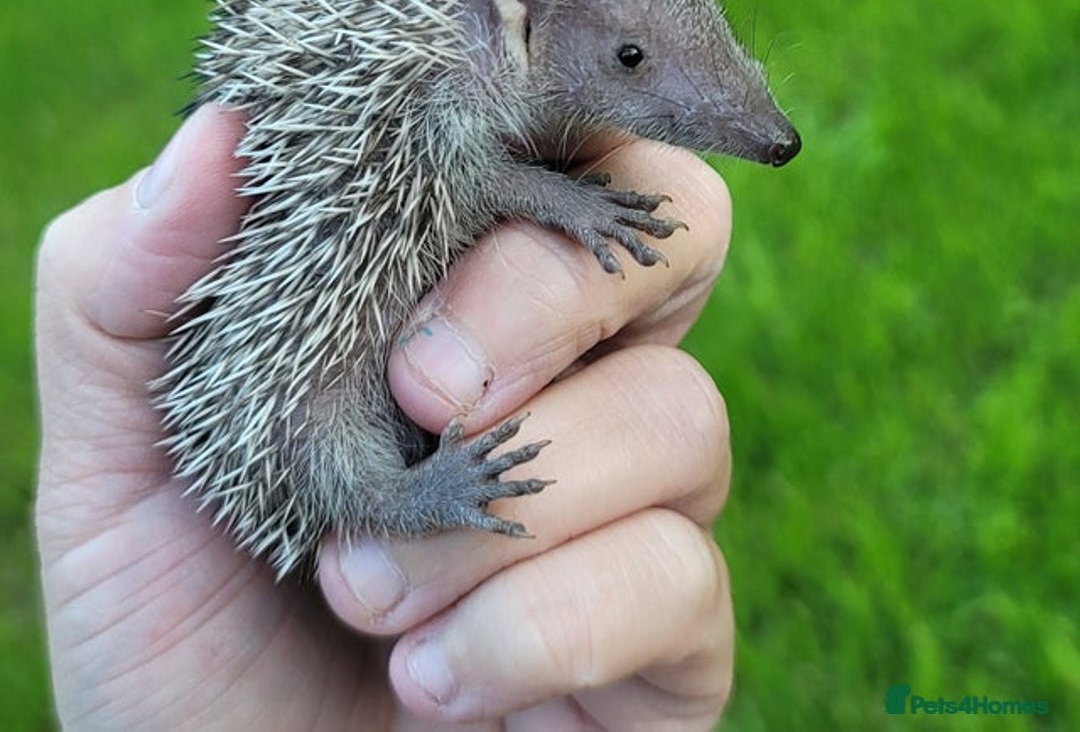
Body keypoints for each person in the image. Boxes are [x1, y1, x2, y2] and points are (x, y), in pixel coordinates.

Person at [34, 103, 735, 729]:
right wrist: (574, 204)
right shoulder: (430, 95)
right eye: (633, 58)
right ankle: (405, 496)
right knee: (341, 454)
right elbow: (462, 180)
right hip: (318, 411)